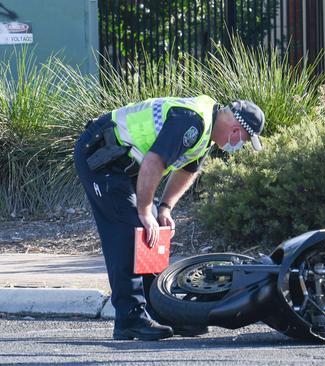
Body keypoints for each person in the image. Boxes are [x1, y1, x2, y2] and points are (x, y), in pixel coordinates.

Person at [73, 96, 264, 341]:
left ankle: (158, 310)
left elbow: (187, 170)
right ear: (236, 130)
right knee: (131, 232)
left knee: (154, 236)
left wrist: (164, 208)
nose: (239, 145)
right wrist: (144, 212)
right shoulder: (193, 121)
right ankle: (129, 318)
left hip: (124, 163)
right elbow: (155, 161)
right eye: (244, 141)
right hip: (100, 153)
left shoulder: (206, 131)